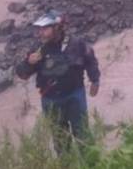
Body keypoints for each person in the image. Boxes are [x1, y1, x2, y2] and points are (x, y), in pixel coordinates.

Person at [15, 10, 100, 153]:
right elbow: (22, 75)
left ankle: (91, 164)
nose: (40, 33)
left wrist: (95, 80)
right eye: (39, 29)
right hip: (51, 101)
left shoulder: (77, 43)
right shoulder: (38, 50)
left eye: (45, 29)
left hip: (75, 96)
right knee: (60, 140)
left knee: (83, 136)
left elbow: (90, 61)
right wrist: (28, 62)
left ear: (57, 28)